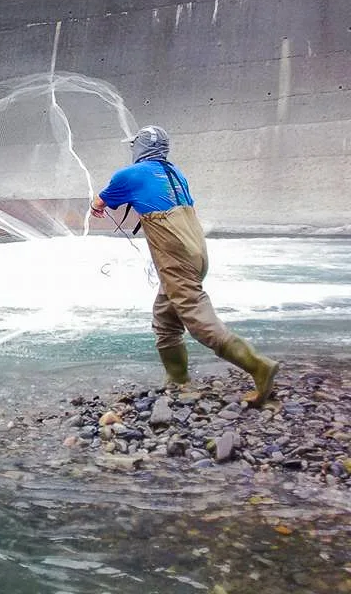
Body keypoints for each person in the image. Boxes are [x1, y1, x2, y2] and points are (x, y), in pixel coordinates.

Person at [90, 125, 280, 406]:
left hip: (176, 259)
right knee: (165, 319)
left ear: (139, 147)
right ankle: (178, 380)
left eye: (134, 145)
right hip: (197, 253)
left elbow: (100, 202)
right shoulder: (176, 173)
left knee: (198, 320)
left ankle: (259, 366)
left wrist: (97, 206)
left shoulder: (128, 175)